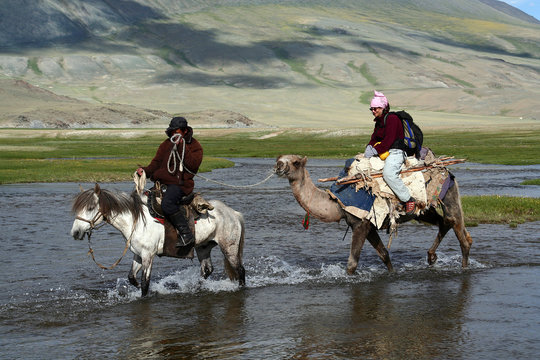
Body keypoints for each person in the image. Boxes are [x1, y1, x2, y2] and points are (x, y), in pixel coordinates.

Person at [137, 116, 203, 248]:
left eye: (177, 131)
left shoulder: (195, 146)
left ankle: (186, 234)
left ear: (184, 131)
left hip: (181, 185)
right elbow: (156, 163)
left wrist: (180, 147)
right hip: (162, 183)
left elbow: (193, 165)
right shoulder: (166, 144)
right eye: (172, 131)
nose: (174, 134)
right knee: (141, 200)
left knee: (167, 204)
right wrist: (144, 171)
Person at [364, 90, 416, 214]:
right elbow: (374, 139)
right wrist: (368, 149)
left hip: (396, 152)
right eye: (371, 109)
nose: (373, 111)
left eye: (376, 108)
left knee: (389, 174)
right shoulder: (379, 122)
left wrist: (375, 150)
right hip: (384, 152)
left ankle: (408, 199)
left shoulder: (392, 119)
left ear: (382, 107)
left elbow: (389, 140)